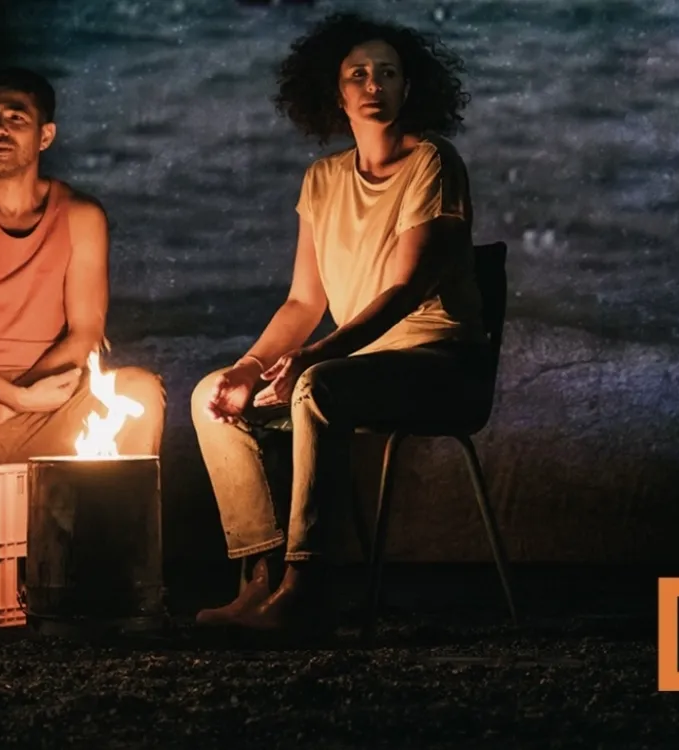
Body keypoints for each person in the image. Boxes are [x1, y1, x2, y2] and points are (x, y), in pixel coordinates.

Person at [191, 13, 493, 634]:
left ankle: (308, 586)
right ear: (337, 92)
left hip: (440, 366)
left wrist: (310, 360)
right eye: (358, 73)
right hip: (351, 367)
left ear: (410, 88)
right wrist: (250, 368)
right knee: (211, 396)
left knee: (317, 386)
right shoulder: (322, 180)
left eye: (388, 72)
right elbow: (303, 303)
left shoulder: (434, 162)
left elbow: (405, 291)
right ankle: (260, 578)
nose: (373, 83)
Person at [0, 67, 167, 617]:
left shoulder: (80, 215)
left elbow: (86, 334)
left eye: (15, 118)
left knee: (140, 389)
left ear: (45, 135)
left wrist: (26, 398)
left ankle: (116, 575)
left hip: (50, 406)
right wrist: (8, 397)